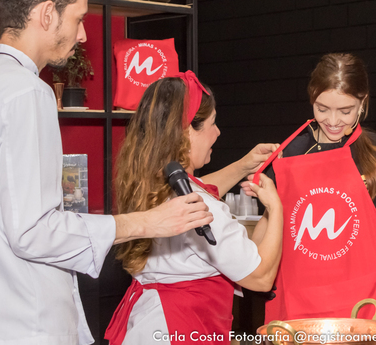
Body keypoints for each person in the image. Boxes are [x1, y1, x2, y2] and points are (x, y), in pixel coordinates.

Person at [0, 0, 214, 344]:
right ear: (47, 14)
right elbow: (33, 231)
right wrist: (147, 221)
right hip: (27, 322)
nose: (83, 35)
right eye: (79, 18)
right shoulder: (26, 92)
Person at [251, 53, 376, 343]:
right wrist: (254, 267)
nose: (333, 121)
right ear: (311, 99)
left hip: (366, 305)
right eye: (322, 109)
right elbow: (269, 221)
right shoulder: (287, 155)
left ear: (363, 102)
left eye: (345, 111)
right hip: (299, 304)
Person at [105, 73, 283, 345]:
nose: (218, 132)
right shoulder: (199, 208)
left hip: (150, 323)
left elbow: (201, 190)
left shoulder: (149, 185)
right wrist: (277, 207)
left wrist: (245, 166)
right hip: (181, 329)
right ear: (187, 133)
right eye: (213, 124)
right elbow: (260, 278)